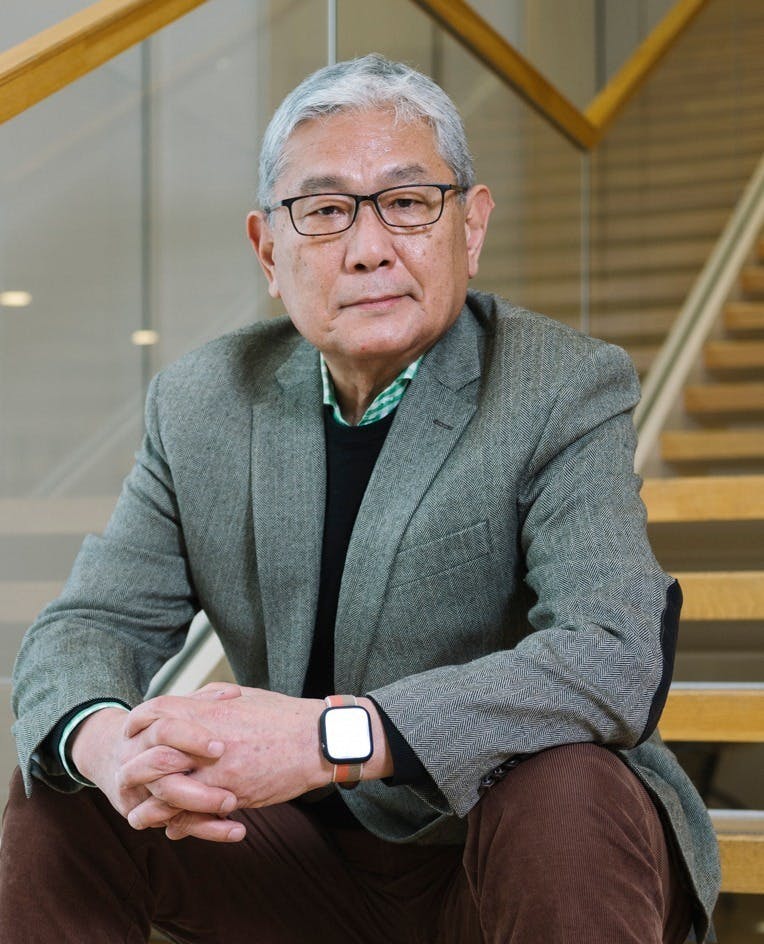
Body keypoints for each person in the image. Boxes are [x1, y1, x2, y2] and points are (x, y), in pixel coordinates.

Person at [1, 54, 719, 943]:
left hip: (501, 851)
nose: (370, 247)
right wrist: (111, 747)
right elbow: (88, 626)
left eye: (408, 203)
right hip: (303, 870)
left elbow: (611, 652)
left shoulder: (559, 386)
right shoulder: (201, 402)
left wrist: (327, 738)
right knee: (64, 784)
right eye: (326, 211)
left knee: (565, 781)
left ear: (471, 228)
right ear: (269, 250)